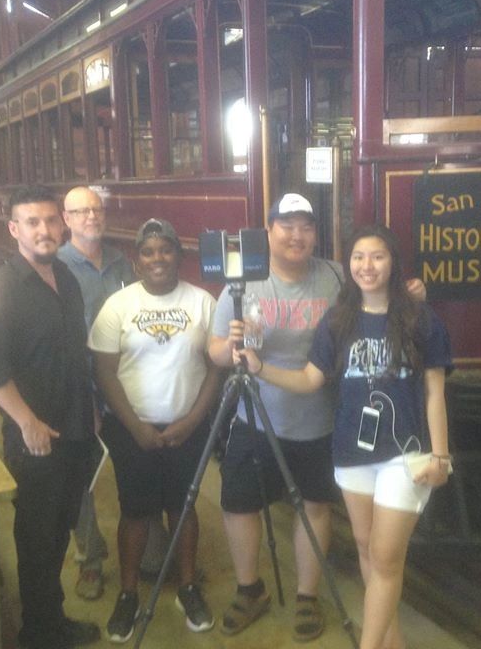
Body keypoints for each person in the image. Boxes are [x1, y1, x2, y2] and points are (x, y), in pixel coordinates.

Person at [236, 225, 452, 649]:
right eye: (358, 257)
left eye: (377, 256)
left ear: (393, 263)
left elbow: (434, 393)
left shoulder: (421, 319)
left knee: (386, 558)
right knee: (366, 549)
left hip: (404, 457)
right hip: (352, 452)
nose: (366, 266)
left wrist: (441, 456)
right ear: (347, 263)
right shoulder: (338, 321)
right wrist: (259, 368)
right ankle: (393, 643)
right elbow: (310, 379)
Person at [0, 184, 100, 649]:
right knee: (36, 539)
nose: (44, 230)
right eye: (32, 222)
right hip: (35, 438)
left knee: (61, 528)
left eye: (49, 221)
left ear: (61, 225)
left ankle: (52, 620)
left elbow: (73, 353)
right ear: (13, 230)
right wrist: (26, 422)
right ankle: (37, 634)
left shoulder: (64, 277)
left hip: (75, 429)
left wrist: (90, 414)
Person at [207, 193, 343, 642]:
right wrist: (235, 347)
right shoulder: (242, 283)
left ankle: (307, 596)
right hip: (256, 417)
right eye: (286, 225)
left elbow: (379, 299)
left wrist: (411, 290)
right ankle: (250, 590)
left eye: (306, 226)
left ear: (315, 234)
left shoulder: (337, 278)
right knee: (238, 504)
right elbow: (212, 351)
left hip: (318, 418)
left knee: (315, 507)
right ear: (269, 231)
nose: (296, 235)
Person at [89, 218, 222, 643]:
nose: (157, 258)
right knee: (136, 509)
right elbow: (105, 372)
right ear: (137, 260)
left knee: (183, 506)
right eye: (148, 252)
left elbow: (217, 369)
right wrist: (135, 426)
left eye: (166, 250)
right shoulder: (118, 306)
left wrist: (193, 420)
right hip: (132, 428)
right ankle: (128, 594)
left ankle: (186, 587)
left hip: (188, 426)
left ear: (179, 257)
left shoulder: (203, 302)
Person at [58, 186, 173, 599]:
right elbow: (63, 342)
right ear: (66, 218)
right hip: (82, 390)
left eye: (96, 209)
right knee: (82, 478)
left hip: (128, 389)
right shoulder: (56, 268)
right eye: (81, 211)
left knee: (140, 464)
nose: (91, 216)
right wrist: (84, 400)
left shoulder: (124, 263)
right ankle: (89, 559)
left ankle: (151, 545)